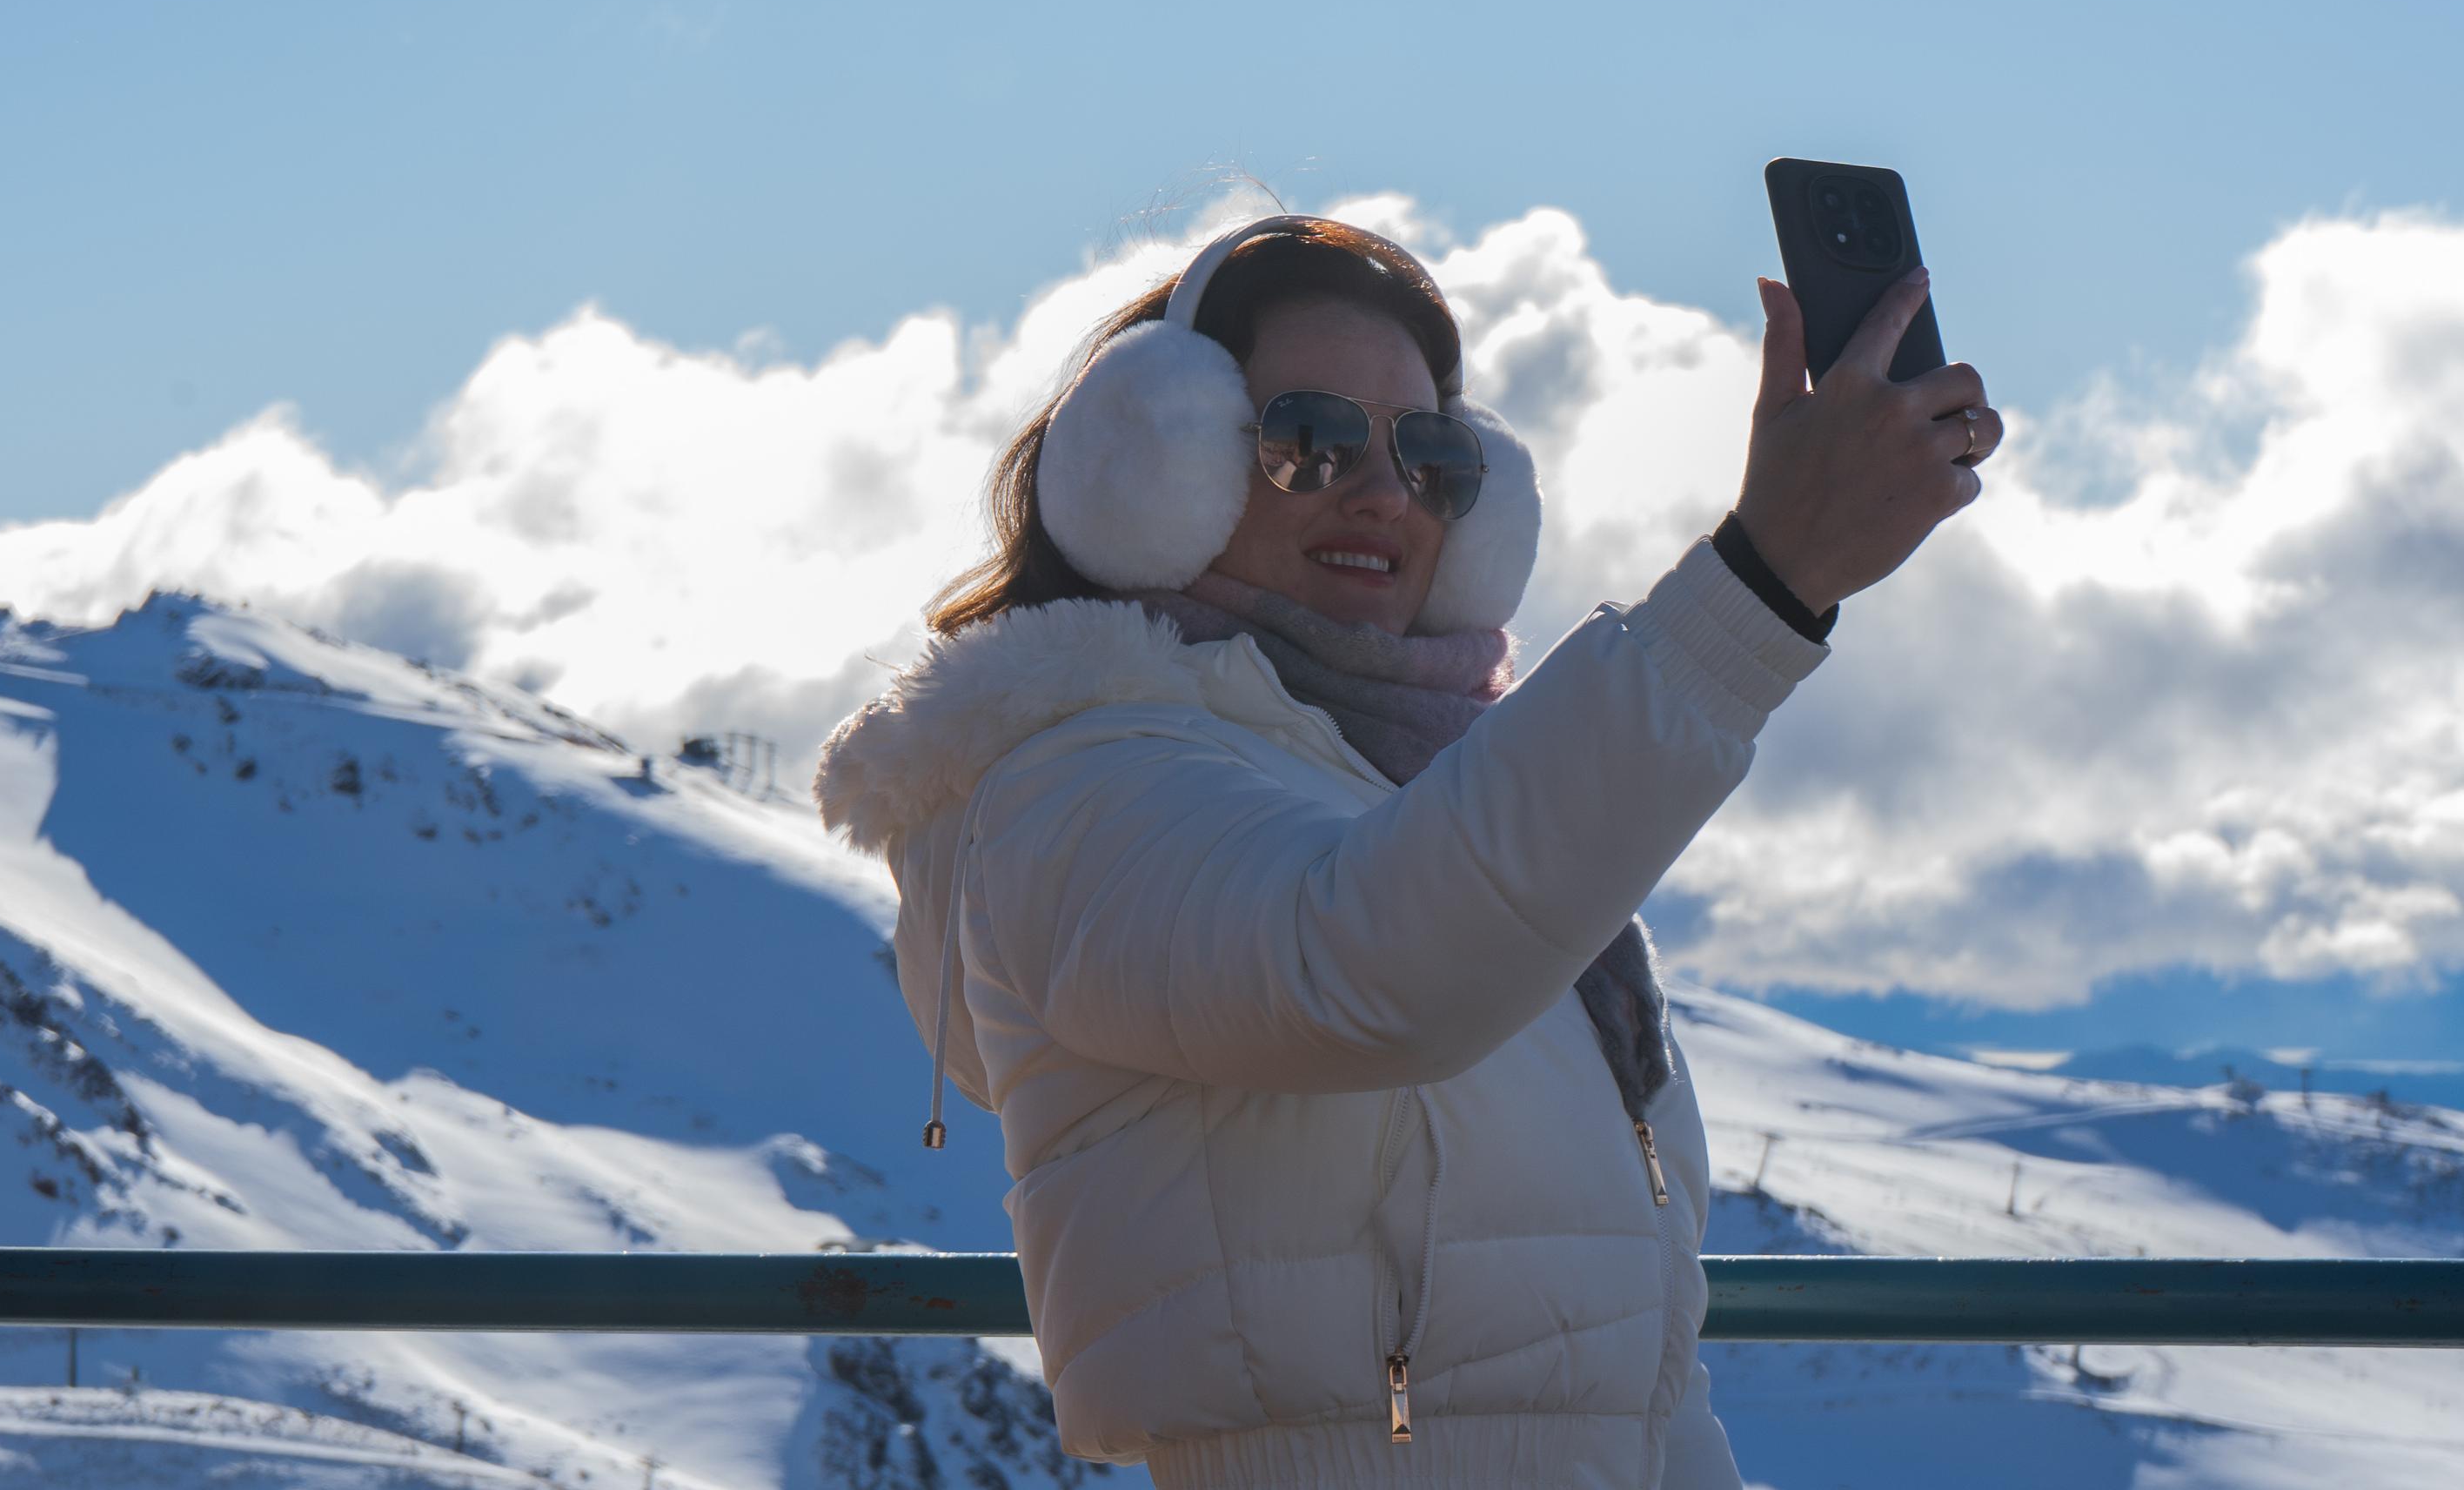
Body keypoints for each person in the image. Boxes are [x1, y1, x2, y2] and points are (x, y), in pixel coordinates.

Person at [814, 215, 1998, 1487]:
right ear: (1159, 465)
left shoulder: (1437, 797)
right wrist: (1761, 585)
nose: (1384, 493)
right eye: (1309, 441)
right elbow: (1359, 973)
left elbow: (1637, 1384)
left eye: (1431, 455)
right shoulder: (1069, 785)